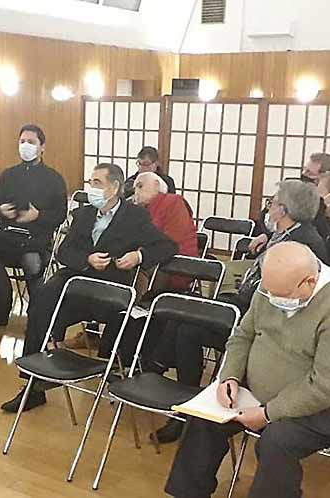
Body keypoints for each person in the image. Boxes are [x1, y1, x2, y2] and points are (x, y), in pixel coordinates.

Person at [152, 179, 330, 443]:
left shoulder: (305, 245)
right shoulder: (284, 234)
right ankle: (178, 393)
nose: (267, 208)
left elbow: (290, 302)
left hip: (256, 315)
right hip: (246, 305)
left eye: (272, 203)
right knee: (181, 319)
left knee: (188, 327)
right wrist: (265, 238)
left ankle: (178, 398)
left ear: (284, 210)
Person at [0, 163, 178, 413]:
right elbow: (64, 251)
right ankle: (33, 384)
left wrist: (139, 256)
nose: (91, 187)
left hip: (110, 288)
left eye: (97, 183)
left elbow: (167, 246)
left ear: (114, 187)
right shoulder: (83, 215)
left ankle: (115, 370)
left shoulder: (135, 216)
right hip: (77, 281)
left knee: (121, 314)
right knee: (41, 300)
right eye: (91, 182)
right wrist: (87, 260)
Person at [165, 241, 330, 498]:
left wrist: (268, 413)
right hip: (254, 393)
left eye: (282, 295)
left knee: (277, 442)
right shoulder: (271, 286)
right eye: (269, 291)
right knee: (204, 417)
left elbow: (322, 386)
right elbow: (243, 336)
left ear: (309, 282)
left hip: (316, 408)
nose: (273, 299)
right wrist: (228, 377)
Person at [94, 171, 199, 362]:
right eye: (135, 187)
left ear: (158, 187)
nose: (136, 191)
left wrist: (139, 255)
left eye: (141, 186)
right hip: (142, 268)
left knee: (126, 292)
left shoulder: (173, 202)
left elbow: (171, 244)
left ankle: (124, 357)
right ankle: (108, 352)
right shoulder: (135, 210)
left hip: (169, 267)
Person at [0, 124, 67, 298]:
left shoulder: (54, 179)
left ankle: (36, 313)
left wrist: (38, 215)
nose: (25, 145)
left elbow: (60, 215)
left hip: (36, 240)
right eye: (22, 141)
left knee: (32, 263)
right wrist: (1, 211)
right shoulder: (8, 175)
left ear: (42, 147)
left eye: (31, 142)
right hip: (7, 236)